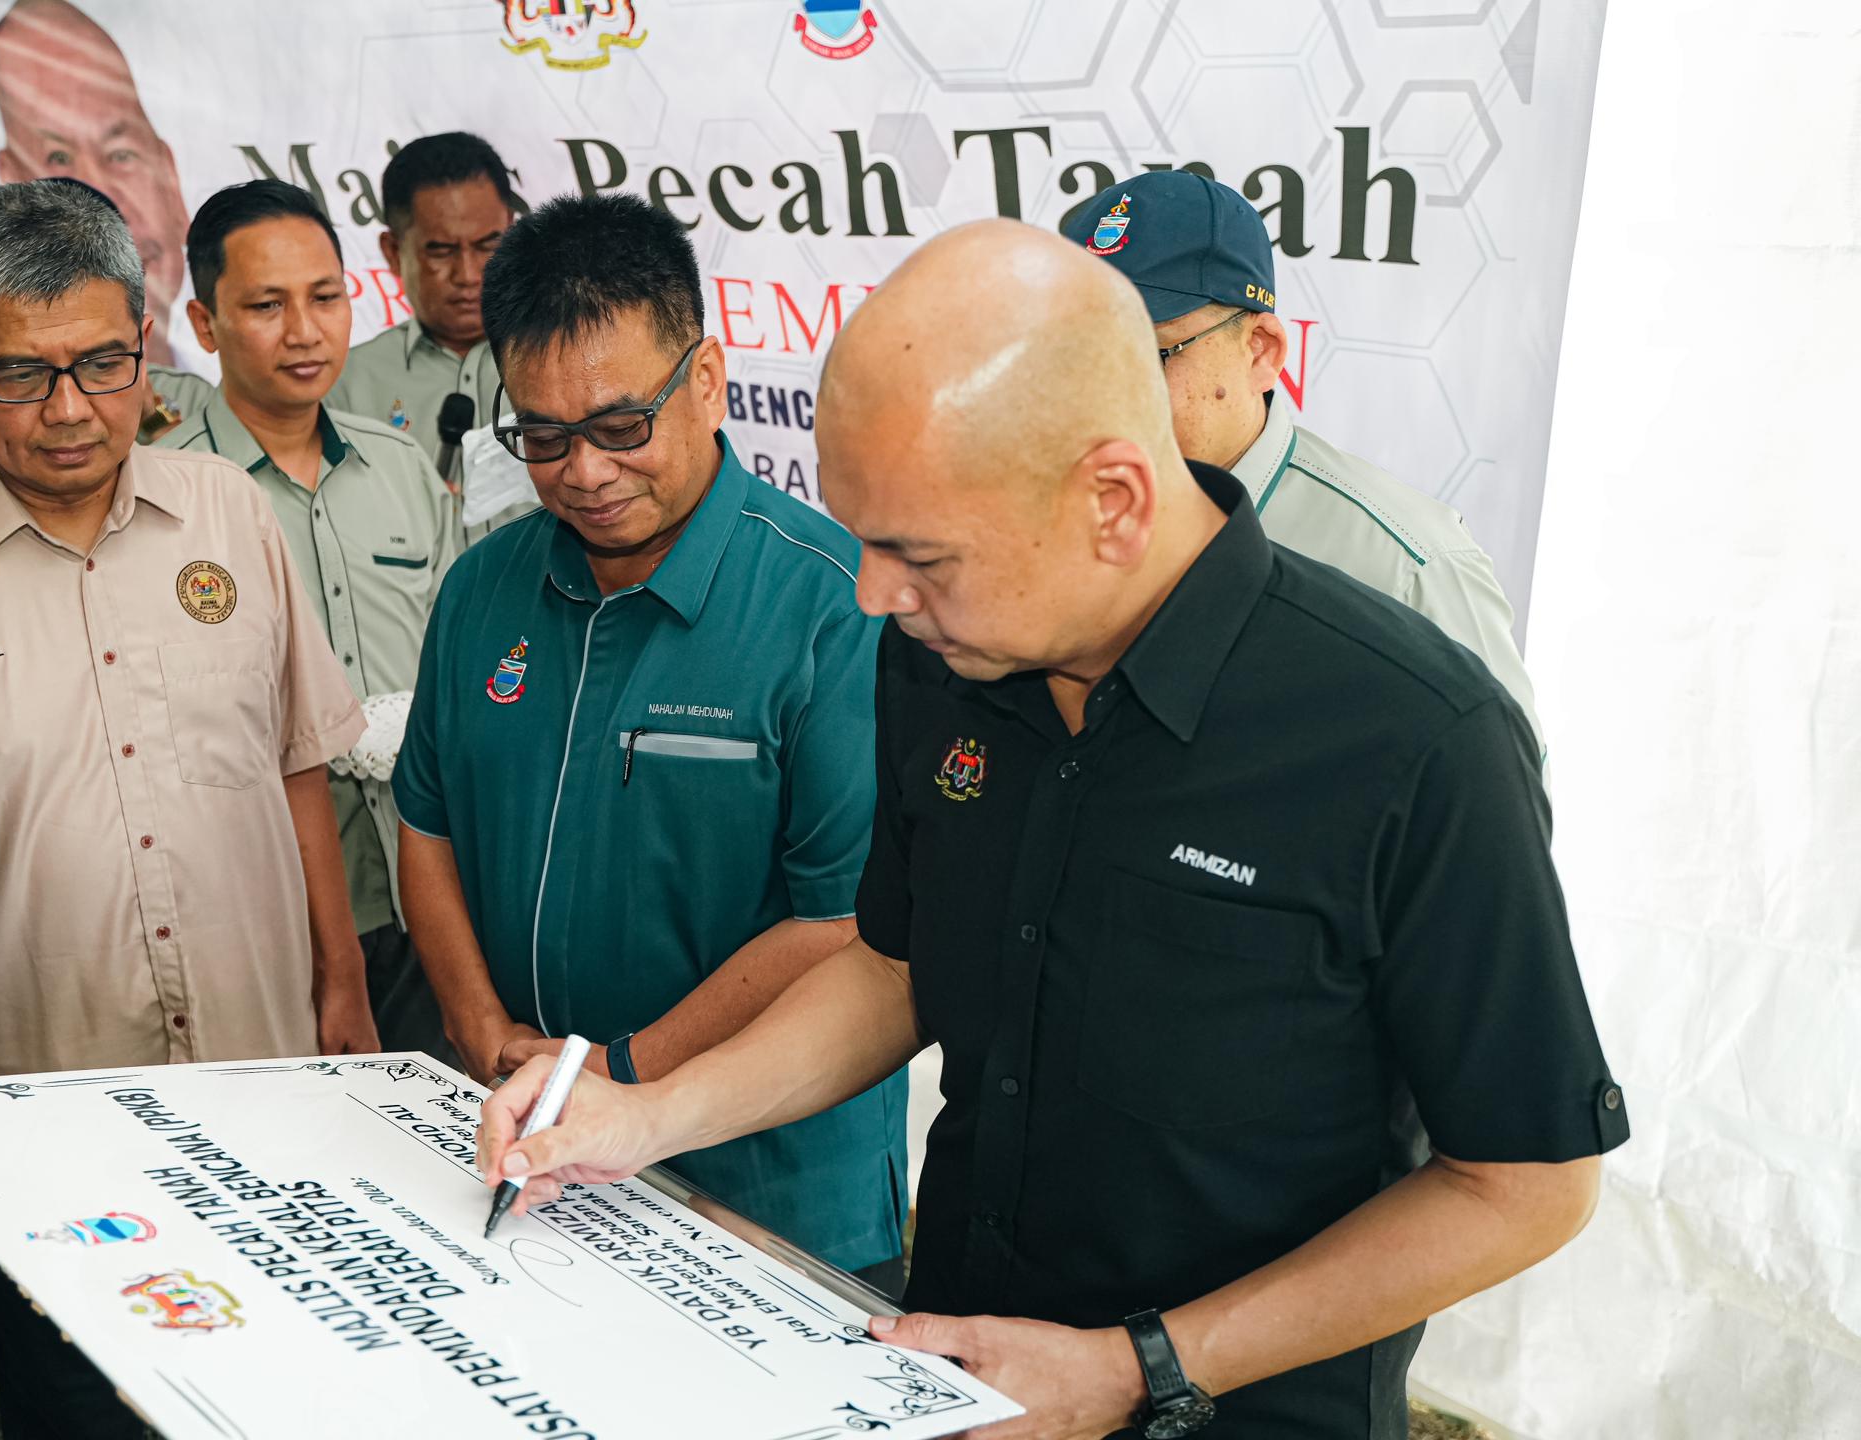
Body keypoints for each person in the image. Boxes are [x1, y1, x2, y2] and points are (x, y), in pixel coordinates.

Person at [476, 219, 1628, 1440]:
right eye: (862, 537)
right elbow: (896, 967)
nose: (872, 593)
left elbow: (1526, 1183)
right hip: (945, 1380)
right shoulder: (935, 659)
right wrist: (648, 1115)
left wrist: (1144, 1368)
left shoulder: (1413, 738)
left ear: (1111, 502)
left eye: (920, 554)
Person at [0, 179, 374, 1440]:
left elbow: (297, 763)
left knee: (296, 1383)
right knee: (82, 1405)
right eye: (19, 375)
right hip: (38, 1112)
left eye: (102, 364)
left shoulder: (228, 514)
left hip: (262, 1071)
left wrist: (342, 986)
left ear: (145, 342)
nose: (70, 410)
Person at [394, 193, 908, 1289]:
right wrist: (483, 1031)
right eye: (542, 436)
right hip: (523, 1160)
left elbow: (844, 924)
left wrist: (615, 1072)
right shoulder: (482, 589)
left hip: (768, 1196)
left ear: (709, 380)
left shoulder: (837, 607)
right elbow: (427, 822)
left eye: (621, 426)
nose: (583, 472)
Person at [1062, 170, 1539, 733]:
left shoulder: (1409, 568)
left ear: (1261, 351)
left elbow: (1501, 775)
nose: (1103, 392)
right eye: (1077, 355)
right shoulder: (1046, 520)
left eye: (1148, 352)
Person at [162, 179, 458, 1060]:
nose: (304, 331)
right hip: (260, 916)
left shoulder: (401, 467)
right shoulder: (164, 495)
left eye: (325, 297)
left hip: (429, 895)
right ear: (205, 323)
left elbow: (461, 666)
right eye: (267, 306)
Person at [0, 0, 211, 498]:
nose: (101, 197)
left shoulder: (202, 409)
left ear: (170, 174)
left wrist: (156, 423)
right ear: (12, 186)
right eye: (22, 374)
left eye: (121, 153)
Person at [325, 131, 538, 539]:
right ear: (392, 251)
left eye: (487, 245)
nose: (468, 274)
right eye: (441, 251)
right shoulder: (343, 388)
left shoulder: (569, 362)